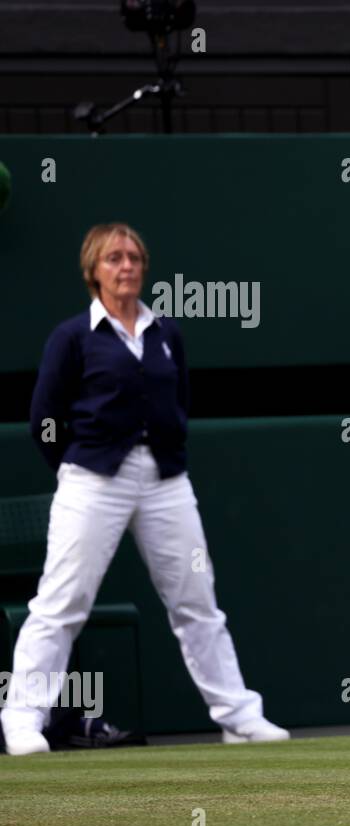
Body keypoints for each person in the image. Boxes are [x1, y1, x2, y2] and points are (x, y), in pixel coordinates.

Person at [1, 223, 288, 756]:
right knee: (61, 601)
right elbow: (44, 416)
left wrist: (163, 453)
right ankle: (23, 719)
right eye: (114, 258)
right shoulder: (72, 337)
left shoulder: (166, 334)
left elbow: (178, 400)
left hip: (164, 481)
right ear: (94, 271)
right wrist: (73, 467)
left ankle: (239, 716)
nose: (127, 266)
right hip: (90, 480)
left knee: (197, 601)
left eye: (133, 257)